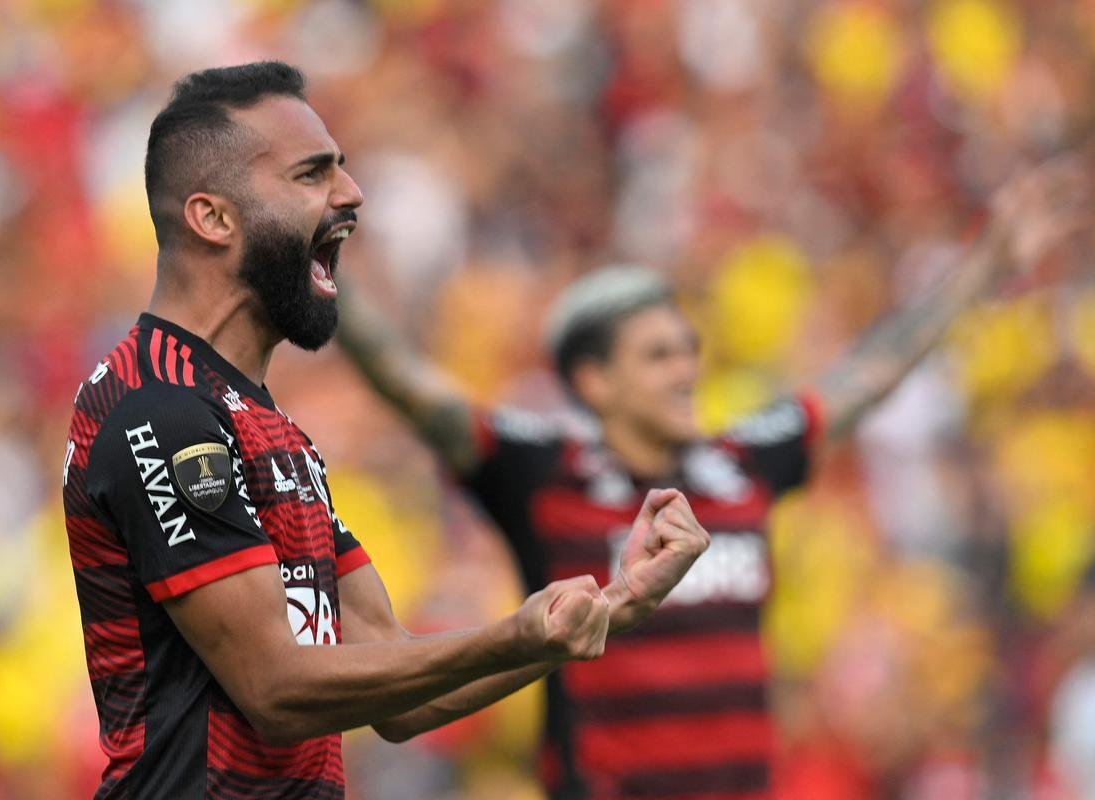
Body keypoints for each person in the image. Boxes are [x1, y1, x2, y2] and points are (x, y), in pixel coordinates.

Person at [61, 61, 710, 800]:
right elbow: (273, 687)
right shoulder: (160, 407)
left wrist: (609, 607)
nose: (350, 194)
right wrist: (520, 633)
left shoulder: (265, 425)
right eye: (311, 175)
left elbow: (397, 682)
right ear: (213, 218)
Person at [335, 160, 1083, 798]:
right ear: (593, 380)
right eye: (658, 355)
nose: (687, 370)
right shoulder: (540, 473)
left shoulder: (741, 462)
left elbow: (873, 371)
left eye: (688, 350)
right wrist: (316, 268)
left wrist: (984, 263)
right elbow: (409, 386)